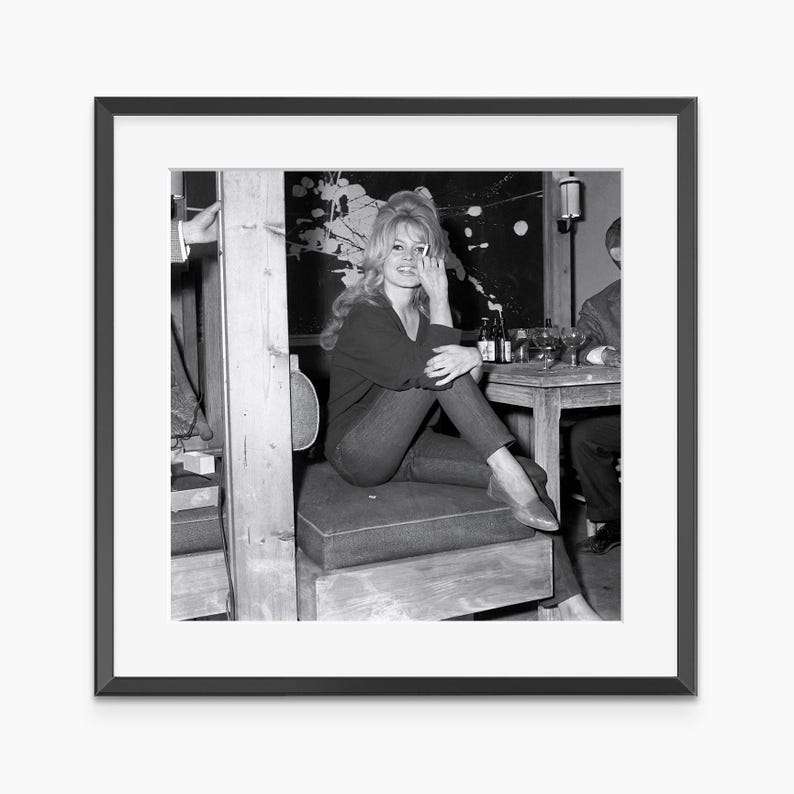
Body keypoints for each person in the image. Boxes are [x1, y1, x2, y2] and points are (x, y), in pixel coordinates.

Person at [321, 190, 600, 620]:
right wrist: (447, 317)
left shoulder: (426, 315)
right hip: (359, 452)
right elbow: (428, 372)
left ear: (434, 257)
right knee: (443, 369)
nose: (410, 258)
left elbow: (453, 388)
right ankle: (507, 471)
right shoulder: (367, 314)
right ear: (379, 253)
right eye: (398, 247)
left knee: (534, 473)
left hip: (412, 448)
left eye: (421, 249)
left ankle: (572, 605)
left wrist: (472, 356)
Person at [570, 217, 621, 554]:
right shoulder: (599, 306)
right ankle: (615, 522)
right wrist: (606, 355)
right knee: (585, 437)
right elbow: (577, 344)